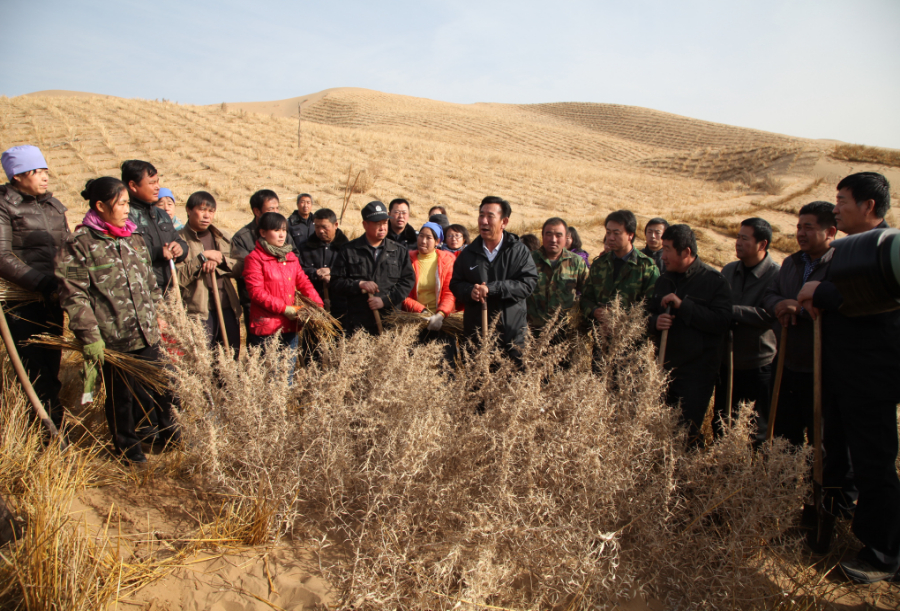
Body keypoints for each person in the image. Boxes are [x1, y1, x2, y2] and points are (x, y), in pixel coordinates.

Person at [797, 172, 900, 583]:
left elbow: (862, 297)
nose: (835, 208)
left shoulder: (886, 248)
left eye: (842, 200)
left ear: (868, 206)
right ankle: (834, 521)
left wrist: (818, 293)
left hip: (871, 376)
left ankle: (883, 554)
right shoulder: (847, 247)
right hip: (840, 371)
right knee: (836, 453)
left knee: (874, 463)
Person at [57, 177, 179, 464]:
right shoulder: (79, 245)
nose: (127, 209)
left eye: (127, 203)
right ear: (101, 206)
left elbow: (150, 283)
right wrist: (90, 336)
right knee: (121, 397)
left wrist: (160, 315)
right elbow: (74, 295)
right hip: (113, 337)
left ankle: (171, 438)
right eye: (121, 204)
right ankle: (129, 450)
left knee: (165, 386)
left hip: (147, 332)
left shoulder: (133, 238)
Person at [0, 145, 69, 430]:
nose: (44, 177)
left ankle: (52, 425)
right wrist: (42, 283)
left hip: (54, 297)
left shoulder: (53, 206)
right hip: (23, 301)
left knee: (52, 365)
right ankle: (46, 431)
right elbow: (2, 257)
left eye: (45, 171)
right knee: (34, 369)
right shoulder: (4, 205)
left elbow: (69, 251)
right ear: (17, 176)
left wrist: (72, 283)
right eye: (36, 171)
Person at [648, 224, 731, 445]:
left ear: (686, 252)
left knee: (686, 433)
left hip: (696, 375)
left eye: (667, 249)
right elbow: (647, 314)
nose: (662, 256)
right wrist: (656, 322)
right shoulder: (664, 280)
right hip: (664, 369)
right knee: (660, 431)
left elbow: (721, 322)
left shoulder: (714, 282)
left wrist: (683, 306)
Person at [761, 202, 836, 446]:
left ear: (830, 232)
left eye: (808, 227)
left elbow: (838, 307)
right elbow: (770, 294)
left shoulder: (838, 265)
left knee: (821, 440)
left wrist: (800, 309)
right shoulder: (791, 263)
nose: (801, 233)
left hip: (821, 367)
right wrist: (780, 305)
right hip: (787, 361)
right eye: (798, 227)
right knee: (784, 435)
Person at [712, 218, 780, 442]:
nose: (738, 243)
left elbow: (770, 315)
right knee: (722, 422)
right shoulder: (730, 270)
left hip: (758, 363)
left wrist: (733, 311)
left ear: (762, 244)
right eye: (737, 237)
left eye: (744, 238)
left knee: (757, 429)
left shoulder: (776, 275)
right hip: (727, 361)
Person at [450, 196, 538, 365]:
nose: (484, 221)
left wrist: (493, 288)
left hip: (511, 337)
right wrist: (469, 291)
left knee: (512, 379)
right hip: (477, 337)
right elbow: (455, 284)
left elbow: (528, 284)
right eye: (481, 215)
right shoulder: (468, 253)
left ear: (504, 222)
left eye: (490, 216)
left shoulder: (518, 251)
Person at [331, 201, 416, 336]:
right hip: (358, 324)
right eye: (377, 223)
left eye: (385, 223)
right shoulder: (349, 250)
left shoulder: (398, 251)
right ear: (365, 225)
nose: (382, 228)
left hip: (389, 323)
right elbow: (336, 283)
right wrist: (359, 284)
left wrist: (384, 301)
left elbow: (407, 282)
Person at [242, 212, 323, 353]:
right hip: (267, 328)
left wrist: (318, 305)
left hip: (289, 326)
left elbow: (304, 282)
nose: (281, 235)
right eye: (276, 230)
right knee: (270, 366)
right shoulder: (254, 259)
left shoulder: (290, 257)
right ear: (263, 233)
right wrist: (284, 309)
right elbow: (256, 292)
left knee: (288, 366)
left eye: (284, 230)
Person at [176, 191, 241, 359]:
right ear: (188, 210)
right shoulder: (179, 241)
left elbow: (240, 268)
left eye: (211, 211)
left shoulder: (222, 237)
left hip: (227, 307)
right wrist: (202, 258)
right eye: (202, 210)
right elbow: (177, 279)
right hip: (198, 311)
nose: (207, 215)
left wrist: (221, 261)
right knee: (203, 360)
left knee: (230, 357)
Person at [230, 190, 297, 337]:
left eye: (277, 208)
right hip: (257, 304)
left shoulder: (283, 234)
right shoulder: (242, 238)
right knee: (261, 345)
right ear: (257, 211)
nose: (275, 212)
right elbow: (243, 269)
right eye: (271, 209)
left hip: (285, 302)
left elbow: (295, 257)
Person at [580, 210, 659, 330]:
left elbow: (652, 307)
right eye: (608, 232)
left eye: (616, 233)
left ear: (630, 235)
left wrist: (622, 318)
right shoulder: (599, 264)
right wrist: (595, 311)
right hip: (601, 335)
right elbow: (585, 298)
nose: (611, 238)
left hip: (629, 336)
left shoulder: (647, 267)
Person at [121, 160, 187, 293]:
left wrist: (180, 249)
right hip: (143, 291)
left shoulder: (162, 214)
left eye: (157, 182)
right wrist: (157, 252)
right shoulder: (125, 217)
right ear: (133, 186)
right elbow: (125, 254)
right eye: (152, 183)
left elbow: (179, 241)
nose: (157, 187)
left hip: (170, 288)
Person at [526, 218, 588, 333]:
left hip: (564, 331)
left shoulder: (576, 262)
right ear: (542, 236)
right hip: (532, 331)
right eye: (548, 234)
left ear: (566, 237)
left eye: (559, 235)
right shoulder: (528, 260)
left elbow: (588, 293)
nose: (553, 240)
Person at [402, 222, 457, 344]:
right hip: (415, 319)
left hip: (442, 320)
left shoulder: (447, 262)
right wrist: (423, 311)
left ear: (437, 242)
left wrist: (440, 315)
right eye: (421, 236)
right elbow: (403, 294)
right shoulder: (407, 260)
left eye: (428, 238)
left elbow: (449, 293)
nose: (423, 241)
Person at [299, 208, 349, 319]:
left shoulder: (347, 248)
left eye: (324, 227)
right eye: (317, 227)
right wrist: (316, 273)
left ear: (335, 225)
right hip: (312, 305)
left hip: (341, 307)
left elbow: (352, 272)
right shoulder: (305, 247)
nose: (321, 231)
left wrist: (332, 272)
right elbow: (298, 270)